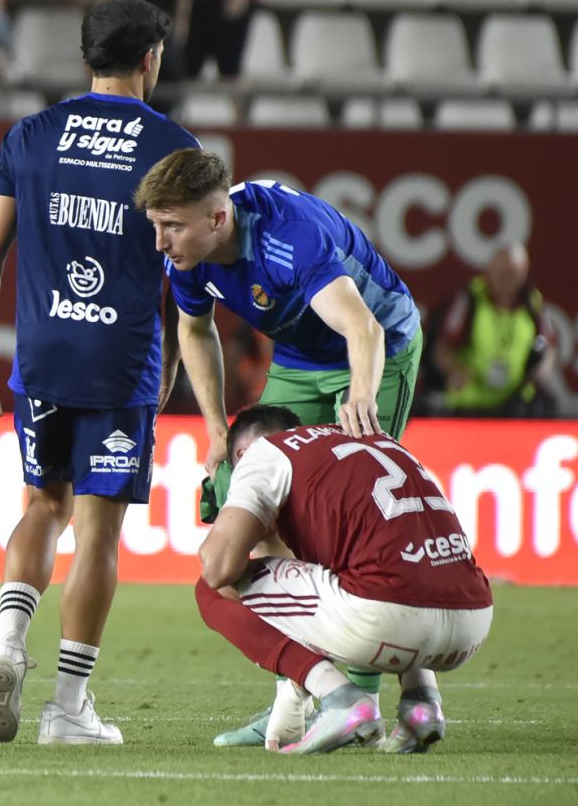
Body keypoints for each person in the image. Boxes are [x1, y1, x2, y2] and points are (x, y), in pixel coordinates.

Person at [0, 0, 198, 746]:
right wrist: (173, 356)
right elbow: (181, 263)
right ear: (150, 59)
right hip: (120, 360)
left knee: (42, 507)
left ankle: (6, 641)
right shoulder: (171, 147)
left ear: (87, 57)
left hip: (43, 355)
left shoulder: (29, 136)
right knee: (97, 533)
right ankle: (67, 707)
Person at [135, 147, 426, 749]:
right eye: (156, 226)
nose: (161, 242)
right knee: (263, 508)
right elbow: (193, 328)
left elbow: (363, 328)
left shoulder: (288, 239)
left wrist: (361, 399)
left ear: (217, 219)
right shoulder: (189, 254)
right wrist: (217, 430)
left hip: (378, 345)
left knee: (350, 521)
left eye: (172, 226)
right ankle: (295, 703)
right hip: (296, 357)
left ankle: (364, 699)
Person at [196, 406, 492, 754]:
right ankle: (422, 704)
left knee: (211, 589)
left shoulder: (264, 455)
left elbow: (219, 567)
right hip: (474, 621)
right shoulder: (367, 441)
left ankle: (341, 700)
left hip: (388, 619)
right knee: (385, 569)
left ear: (242, 455)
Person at [428, 243, 562, 417]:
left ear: (524, 272)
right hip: (470, 406)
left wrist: (538, 376)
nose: (507, 280)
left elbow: (549, 346)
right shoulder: (469, 300)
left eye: (512, 274)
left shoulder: (532, 302)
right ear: (489, 269)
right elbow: (442, 348)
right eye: (502, 273)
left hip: (515, 406)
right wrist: (457, 372)